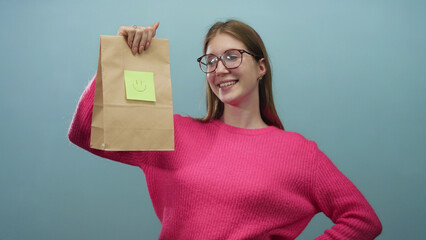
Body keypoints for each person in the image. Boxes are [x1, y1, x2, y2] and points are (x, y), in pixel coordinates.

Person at [69, 20, 382, 240]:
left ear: (261, 67)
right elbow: (84, 130)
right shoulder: (172, 133)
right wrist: (118, 57)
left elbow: (362, 220)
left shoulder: (300, 154)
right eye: (211, 60)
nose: (219, 68)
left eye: (232, 56)